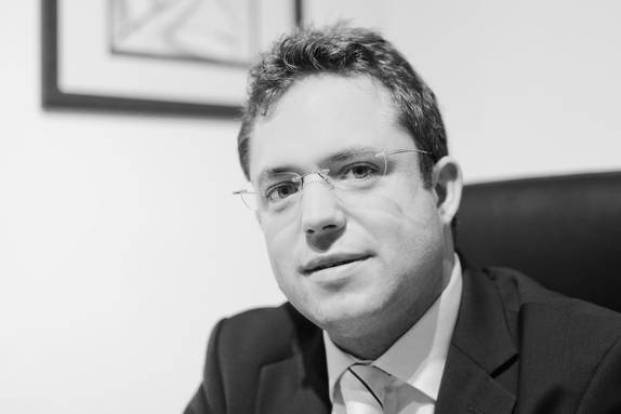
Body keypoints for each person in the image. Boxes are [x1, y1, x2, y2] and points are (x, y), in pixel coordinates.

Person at [185, 24, 621, 414]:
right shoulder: (241, 359)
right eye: (282, 190)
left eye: (359, 171)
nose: (316, 218)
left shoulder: (596, 369)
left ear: (442, 191)